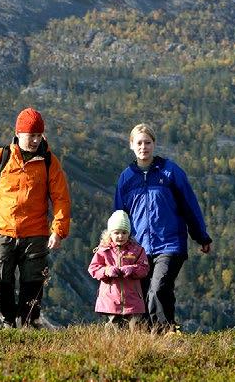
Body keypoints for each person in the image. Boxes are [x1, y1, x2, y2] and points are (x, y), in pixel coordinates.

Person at [0, 108, 72, 327]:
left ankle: (26, 327)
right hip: (2, 232)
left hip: (35, 234)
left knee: (32, 286)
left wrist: (58, 230)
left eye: (38, 135)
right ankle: (8, 320)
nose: (35, 140)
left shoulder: (48, 162)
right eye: (30, 135)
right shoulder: (0, 157)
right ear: (18, 133)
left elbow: (61, 198)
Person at [114, 123, 211, 332]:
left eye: (147, 143)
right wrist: (115, 245)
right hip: (139, 248)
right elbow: (119, 217)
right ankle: (150, 340)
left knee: (159, 288)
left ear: (154, 144)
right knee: (142, 294)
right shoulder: (126, 178)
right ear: (131, 145)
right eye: (139, 143)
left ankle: (164, 334)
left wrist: (201, 236)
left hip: (170, 244)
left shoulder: (170, 172)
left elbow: (189, 206)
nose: (143, 147)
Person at [88, 210, 149, 329]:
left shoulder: (137, 250)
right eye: (117, 233)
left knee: (135, 329)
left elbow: (144, 268)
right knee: (114, 329)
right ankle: (110, 348)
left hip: (133, 299)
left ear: (129, 233)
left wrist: (132, 269)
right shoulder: (103, 251)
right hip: (111, 299)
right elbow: (93, 269)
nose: (120, 236)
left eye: (124, 232)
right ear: (110, 233)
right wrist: (106, 271)